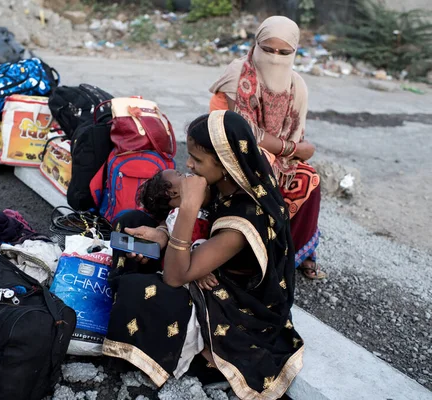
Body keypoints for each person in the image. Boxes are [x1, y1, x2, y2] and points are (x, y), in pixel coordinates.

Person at [103, 111, 303, 400]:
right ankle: (132, 302)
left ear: (225, 163)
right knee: (129, 221)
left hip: (231, 304)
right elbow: (185, 229)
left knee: (141, 291)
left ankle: (198, 357)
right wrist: (163, 234)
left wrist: (188, 208)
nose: (188, 164)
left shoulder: (245, 218)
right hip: (198, 262)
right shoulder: (220, 183)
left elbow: (174, 277)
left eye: (197, 159)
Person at [209, 16, 325, 280]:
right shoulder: (238, 74)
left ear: (294, 52)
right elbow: (243, 131)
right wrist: (292, 148)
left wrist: (291, 151)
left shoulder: (297, 85)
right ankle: (248, 259)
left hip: (276, 155)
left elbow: (295, 133)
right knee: (263, 166)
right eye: (268, 50)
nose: (275, 58)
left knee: (309, 178)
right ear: (256, 45)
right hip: (227, 147)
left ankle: (290, 255)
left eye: (284, 53)